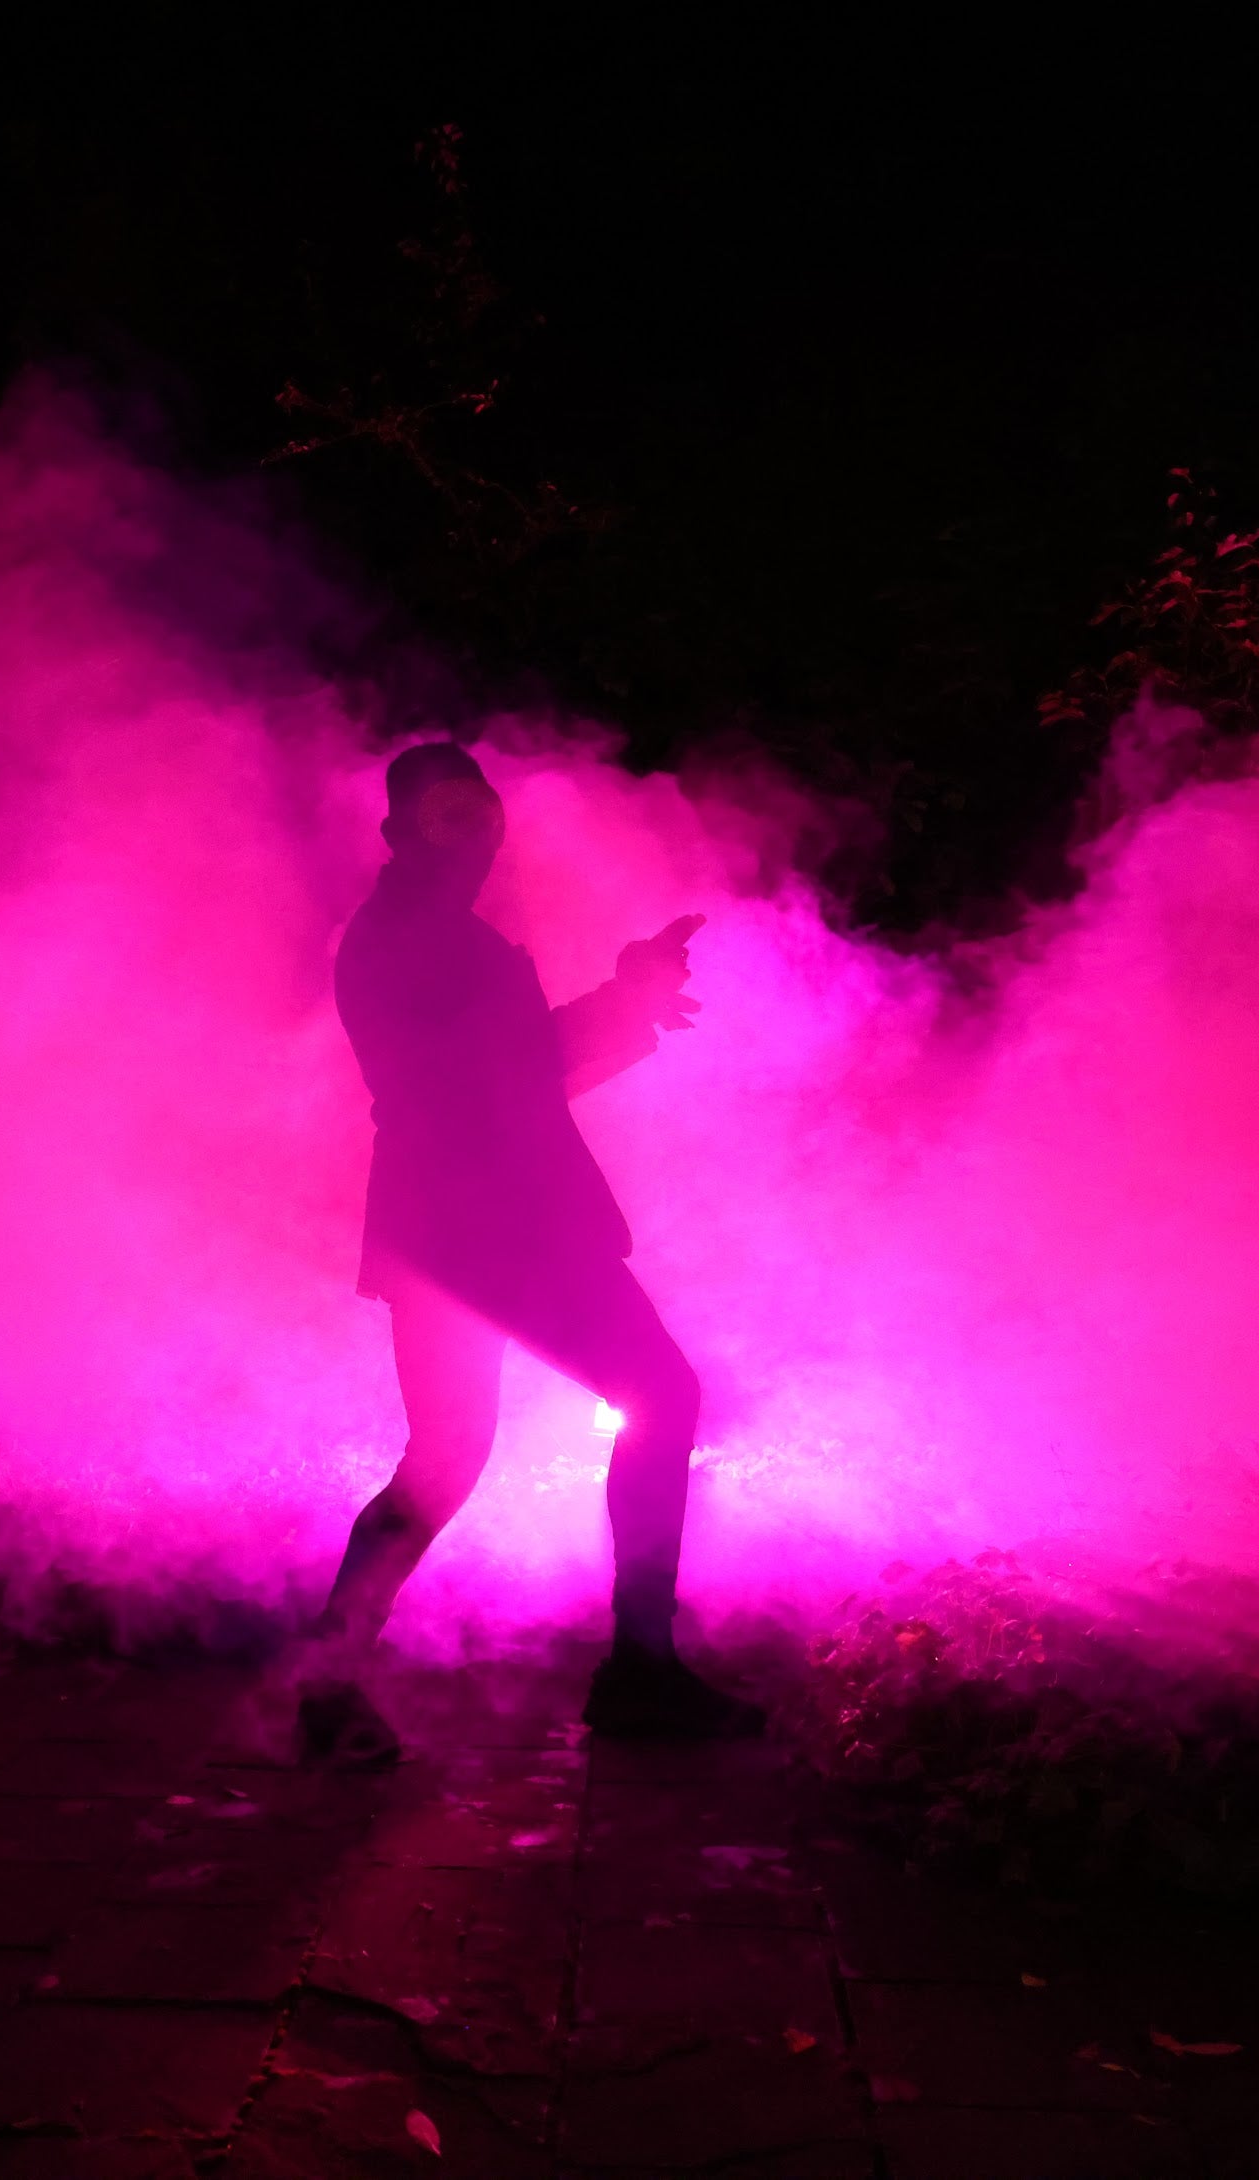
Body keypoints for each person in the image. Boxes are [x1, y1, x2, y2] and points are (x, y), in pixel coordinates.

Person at [297, 741, 764, 1765]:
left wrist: (624, 1004)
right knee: (654, 1396)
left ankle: (327, 1685)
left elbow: (516, 1074)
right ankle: (638, 1668)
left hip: (450, 1232)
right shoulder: (412, 941)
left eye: (483, 812)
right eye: (448, 816)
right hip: (503, 1228)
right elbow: (511, 1081)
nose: (478, 834)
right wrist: (624, 1001)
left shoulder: (423, 934)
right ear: (399, 832)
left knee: (449, 1457)